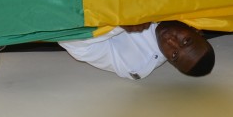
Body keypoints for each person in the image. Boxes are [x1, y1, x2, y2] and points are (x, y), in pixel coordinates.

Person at [59, 21, 215, 80]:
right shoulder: (189, 9)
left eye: (174, 55)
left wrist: (117, 25)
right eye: (186, 41)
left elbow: (70, 41)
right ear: (197, 31)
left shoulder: (136, 63)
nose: (171, 42)